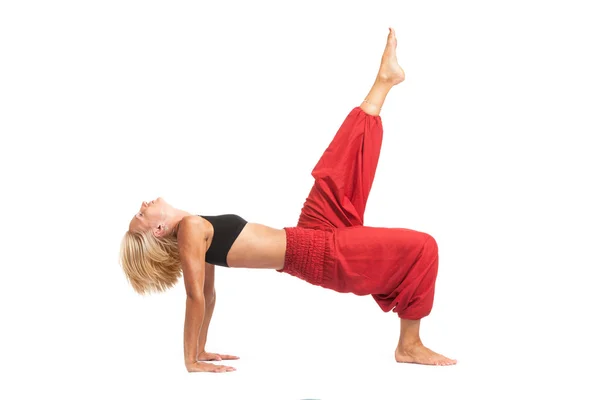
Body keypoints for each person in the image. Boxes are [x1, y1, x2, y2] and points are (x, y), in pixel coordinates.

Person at [120, 27, 456, 372]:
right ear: (159, 229)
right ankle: (409, 344)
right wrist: (191, 361)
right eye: (141, 215)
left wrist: (202, 349)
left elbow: (208, 296)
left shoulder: (196, 231)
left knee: (341, 164)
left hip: (310, 231)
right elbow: (194, 298)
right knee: (422, 246)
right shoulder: (190, 229)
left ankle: (384, 80)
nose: (144, 205)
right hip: (316, 252)